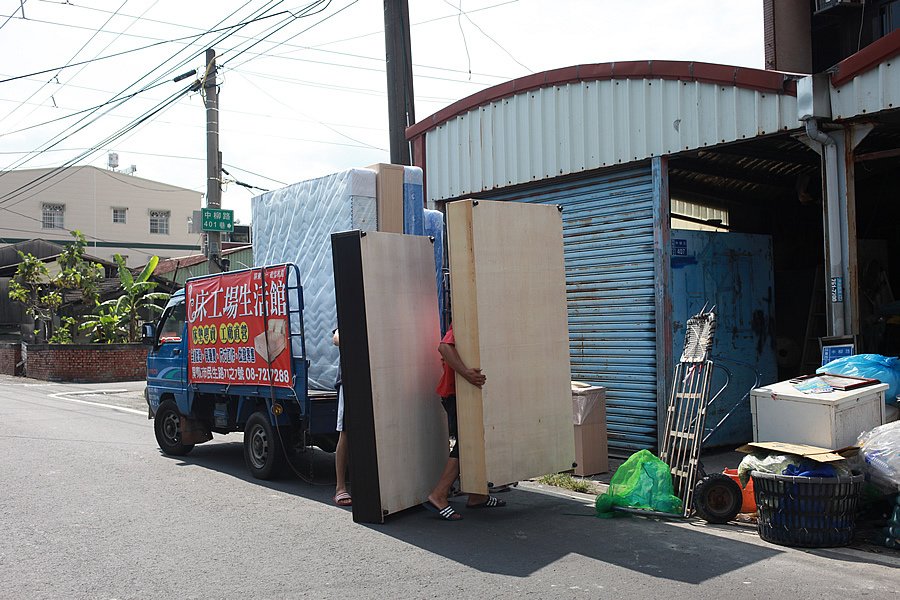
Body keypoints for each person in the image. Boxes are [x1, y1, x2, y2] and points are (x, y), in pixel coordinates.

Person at [424, 325, 506, 521]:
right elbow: (444, 347)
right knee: (465, 444)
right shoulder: (465, 317)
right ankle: (439, 495)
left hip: (468, 392)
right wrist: (466, 373)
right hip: (457, 394)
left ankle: (477, 494)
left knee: (476, 443)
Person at [333, 328, 351, 507]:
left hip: (374, 377)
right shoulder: (349, 313)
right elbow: (337, 338)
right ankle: (340, 487)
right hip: (349, 380)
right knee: (345, 432)